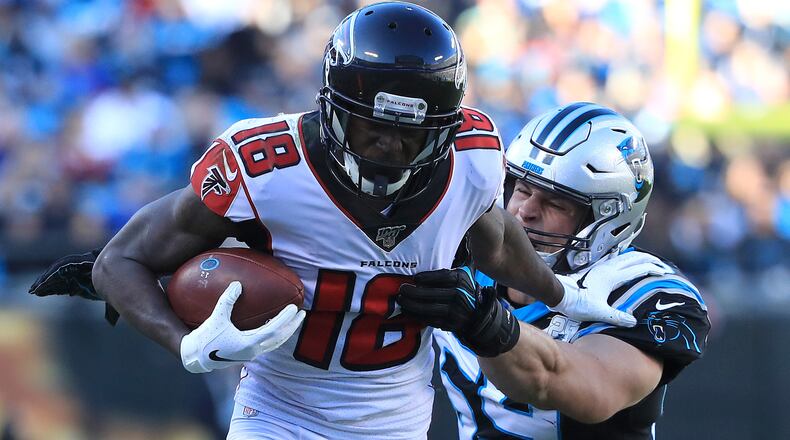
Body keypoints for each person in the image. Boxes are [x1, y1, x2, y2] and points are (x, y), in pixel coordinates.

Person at [29, 5, 635, 440]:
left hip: (395, 419)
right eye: (373, 126)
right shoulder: (264, 165)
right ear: (332, 107)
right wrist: (183, 343)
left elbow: (495, 237)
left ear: (446, 127)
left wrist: (565, 295)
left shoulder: (473, 158)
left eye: (410, 134)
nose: (389, 149)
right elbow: (119, 261)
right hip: (277, 413)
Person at [398, 102, 711, 439]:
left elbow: (578, 385)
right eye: (522, 189)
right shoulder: (466, 259)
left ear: (608, 219)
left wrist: (482, 322)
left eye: (555, 202)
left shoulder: (643, 292)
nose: (525, 211)